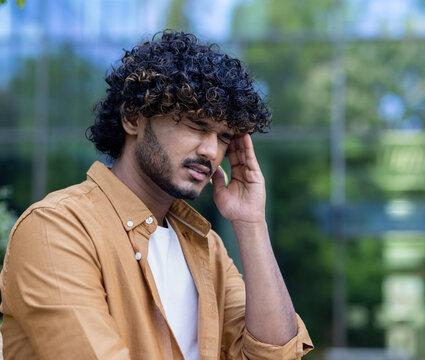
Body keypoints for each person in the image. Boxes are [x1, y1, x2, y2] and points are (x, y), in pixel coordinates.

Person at [0, 30, 313, 359]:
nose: (210, 151)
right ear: (133, 117)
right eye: (196, 125)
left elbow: (275, 355)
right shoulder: (56, 228)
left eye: (224, 137)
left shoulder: (205, 248)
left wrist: (251, 223)